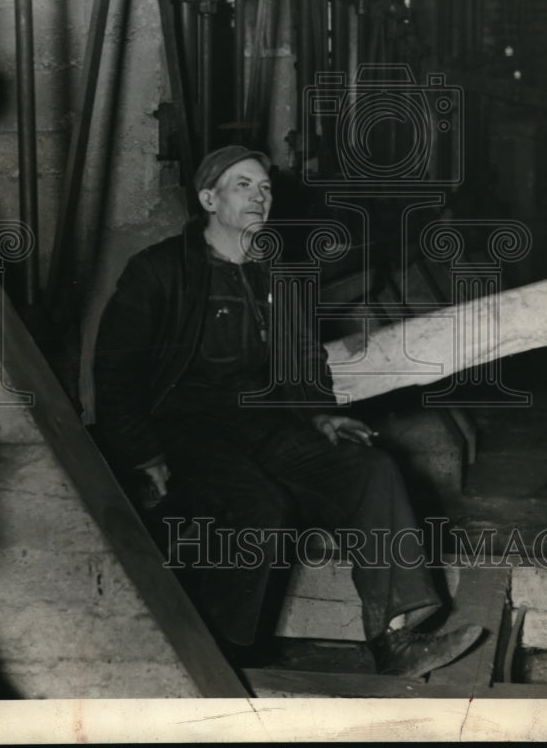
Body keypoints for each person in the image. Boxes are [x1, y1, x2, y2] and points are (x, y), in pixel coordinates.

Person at [93, 145, 483, 677]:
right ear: (209, 199)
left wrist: (321, 414)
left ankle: (396, 639)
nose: (259, 197)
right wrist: (143, 456)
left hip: (267, 424)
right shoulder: (159, 271)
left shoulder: (281, 270)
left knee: (372, 469)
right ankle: (218, 657)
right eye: (242, 186)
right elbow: (116, 374)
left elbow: (302, 362)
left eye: (265, 188)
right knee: (262, 507)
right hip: (187, 430)